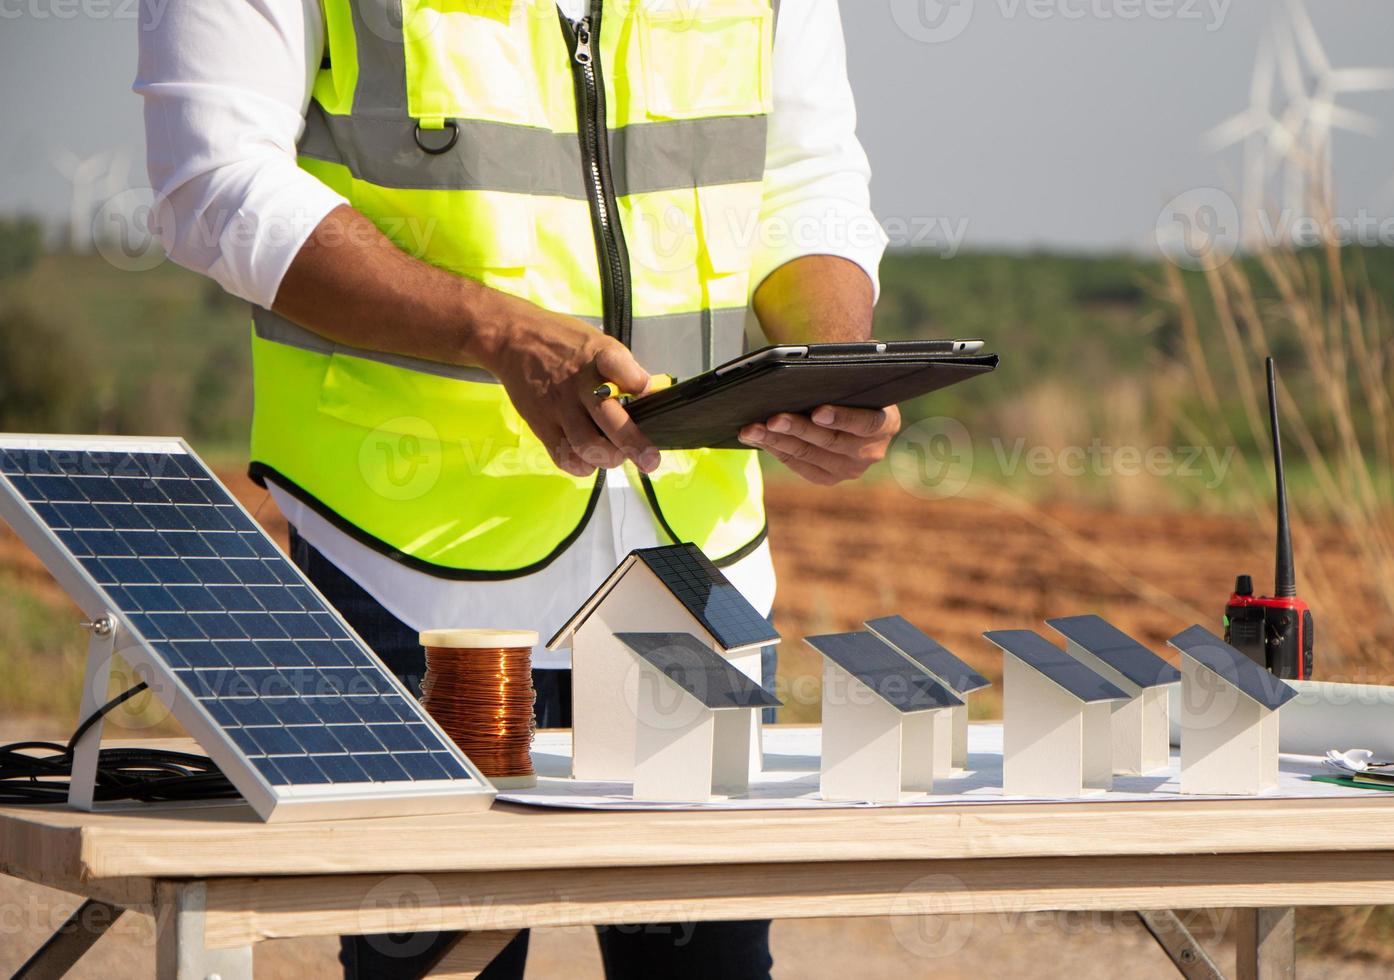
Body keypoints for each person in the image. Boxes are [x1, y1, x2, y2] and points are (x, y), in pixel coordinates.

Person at [138, 0, 894, 975]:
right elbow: (214, 180)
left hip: (692, 582)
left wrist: (826, 358)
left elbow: (805, 173)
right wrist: (496, 332)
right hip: (415, 576)